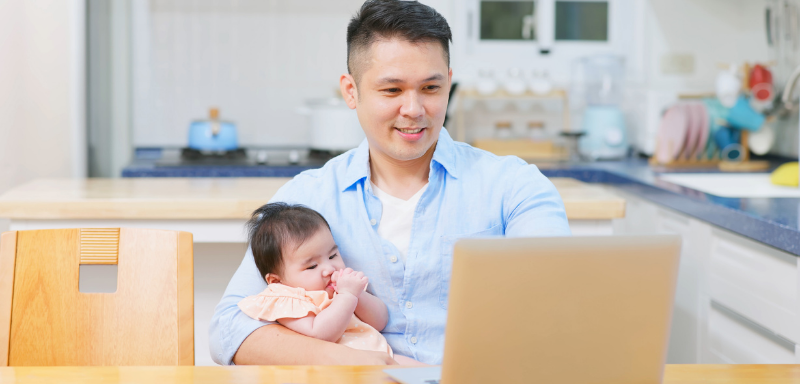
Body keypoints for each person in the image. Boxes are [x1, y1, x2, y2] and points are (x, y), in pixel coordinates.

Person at [209, 0, 570, 366]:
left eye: (431, 88)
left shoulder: (515, 186)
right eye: (392, 90)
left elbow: (558, 304)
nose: (414, 109)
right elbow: (230, 330)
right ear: (351, 91)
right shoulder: (306, 197)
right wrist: (371, 366)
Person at [236, 203, 422, 365]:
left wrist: (358, 294)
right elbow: (321, 334)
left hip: (382, 357)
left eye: (333, 255)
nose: (329, 268)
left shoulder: (344, 287)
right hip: (336, 369)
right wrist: (347, 297)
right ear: (277, 281)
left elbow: (380, 321)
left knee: (428, 372)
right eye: (312, 266)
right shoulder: (288, 298)